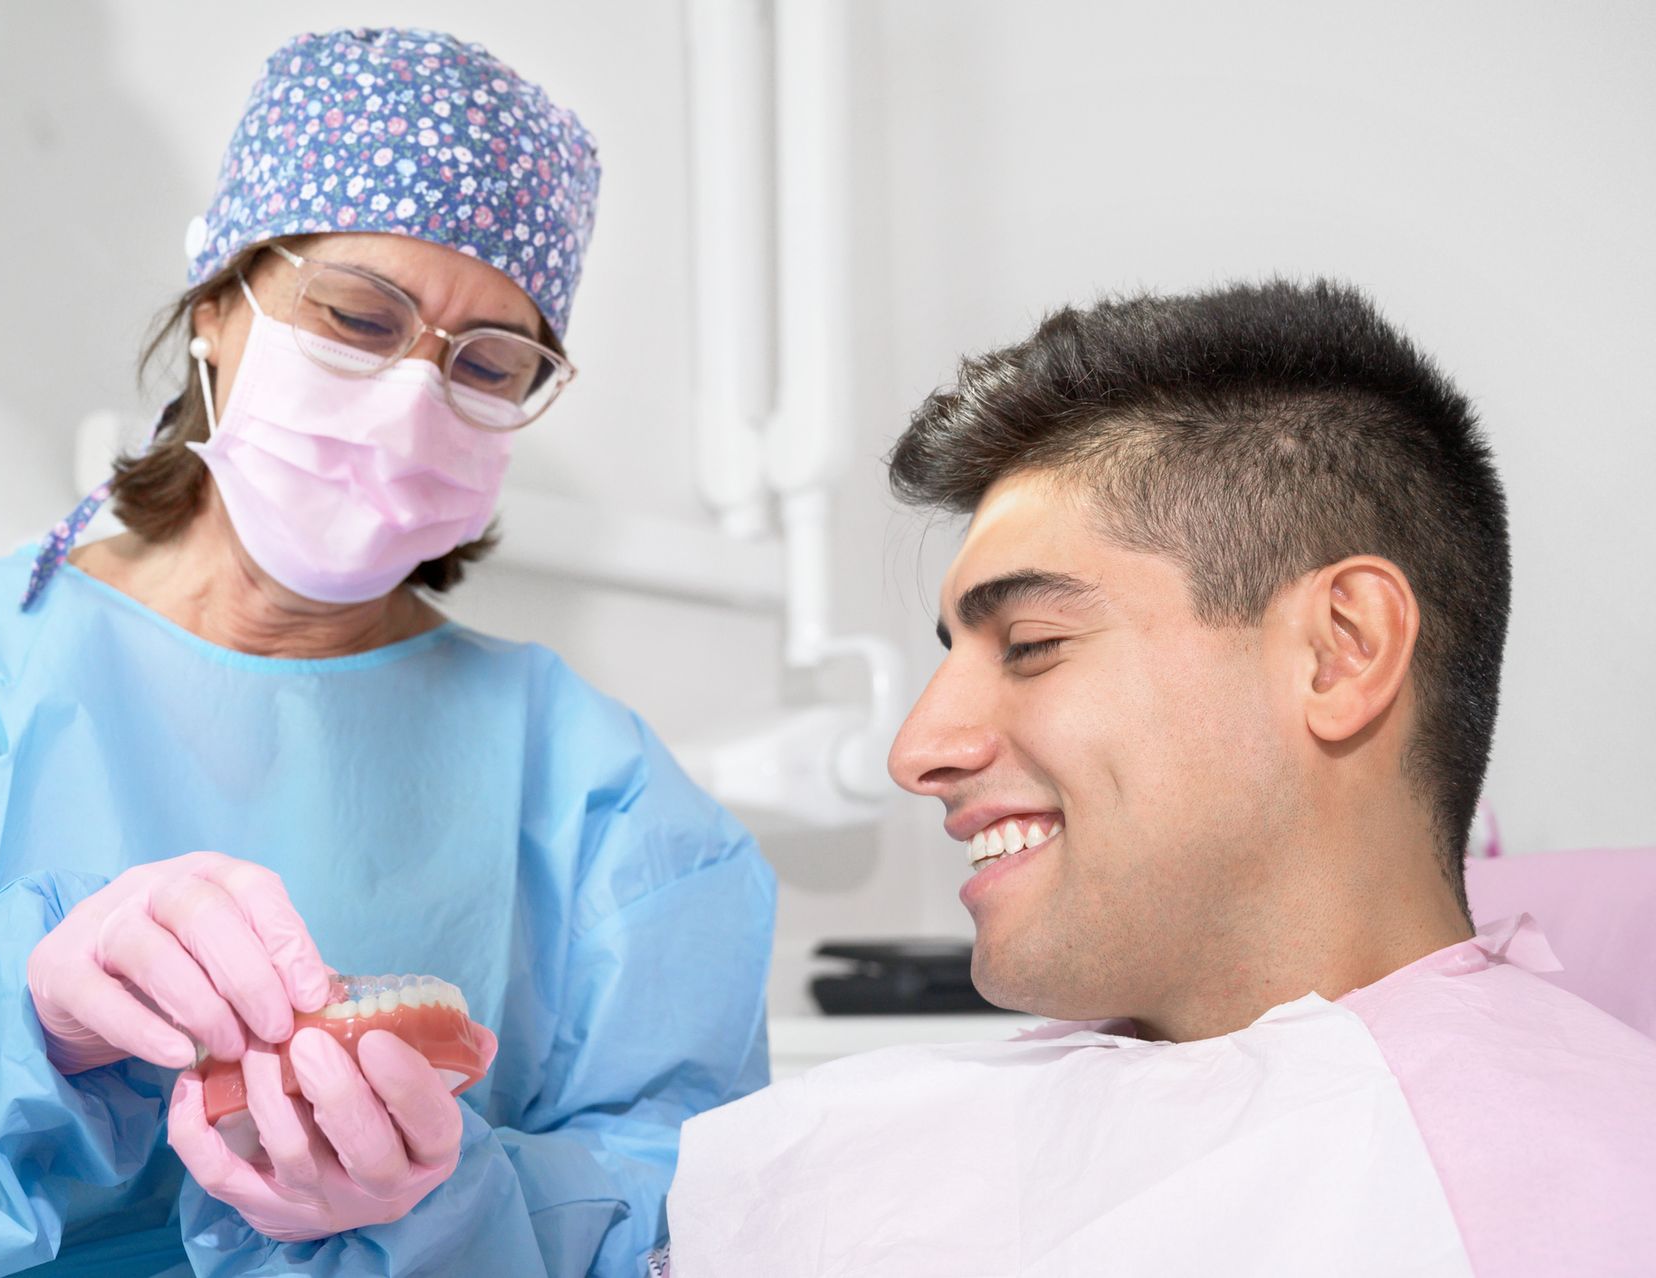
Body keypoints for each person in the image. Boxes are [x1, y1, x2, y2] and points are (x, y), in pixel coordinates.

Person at [0, 27, 774, 1277]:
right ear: (221, 305)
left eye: (489, 362)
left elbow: (689, 1200)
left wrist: (437, 1203)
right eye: (356, 315)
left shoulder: (605, 799)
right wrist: (21, 1030)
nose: (410, 398)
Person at [665, 280, 1656, 1275]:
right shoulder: (866, 1153)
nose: (917, 750)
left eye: (1034, 643)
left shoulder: (1584, 1200)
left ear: (1341, 651)